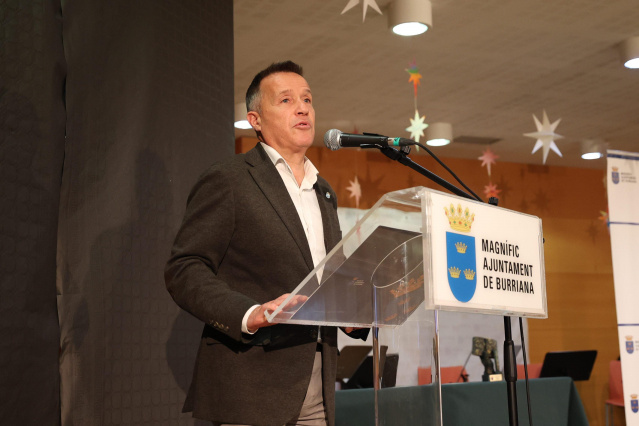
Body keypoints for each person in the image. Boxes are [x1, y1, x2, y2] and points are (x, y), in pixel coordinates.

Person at [165, 61, 366, 426]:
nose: (302, 108)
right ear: (255, 120)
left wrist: (353, 311)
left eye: (307, 99)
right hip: (251, 383)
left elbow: (326, 277)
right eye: (286, 100)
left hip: (318, 383)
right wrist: (250, 313)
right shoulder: (230, 179)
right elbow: (184, 268)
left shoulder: (324, 191)